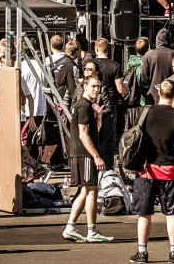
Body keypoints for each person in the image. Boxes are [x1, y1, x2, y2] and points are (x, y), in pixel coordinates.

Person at [129, 81, 174, 264]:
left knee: (144, 213)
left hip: (147, 170)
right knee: (171, 213)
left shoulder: (146, 112)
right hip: (170, 169)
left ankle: (142, 252)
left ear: (159, 93)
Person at [63, 76, 114, 243]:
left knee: (86, 190)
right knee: (91, 190)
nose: (96, 89)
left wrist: (98, 117)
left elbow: (94, 131)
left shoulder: (90, 107)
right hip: (84, 154)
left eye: (98, 86)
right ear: (85, 87)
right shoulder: (83, 106)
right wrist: (96, 156)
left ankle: (71, 228)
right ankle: (91, 231)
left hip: (85, 154)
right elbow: (83, 134)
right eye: (93, 86)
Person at [91, 38, 125, 169]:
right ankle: (107, 167)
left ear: (96, 48)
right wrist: (128, 89)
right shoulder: (114, 65)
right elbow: (120, 88)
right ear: (108, 49)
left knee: (94, 134)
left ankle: (95, 164)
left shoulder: (90, 63)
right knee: (108, 138)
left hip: (93, 102)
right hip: (110, 104)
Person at [139, 28, 174, 104]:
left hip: (153, 95)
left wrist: (146, 92)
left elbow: (143, 77)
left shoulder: (148, 55)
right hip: (170, 96)